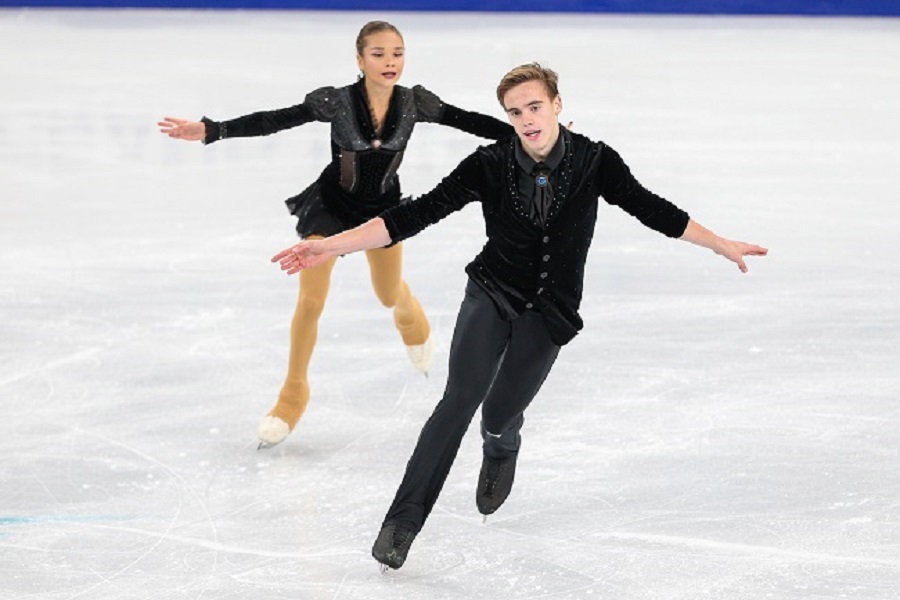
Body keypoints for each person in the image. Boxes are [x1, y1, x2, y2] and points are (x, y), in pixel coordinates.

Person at [271, 62, 768, 569]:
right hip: (492, 292)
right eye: (515, 112)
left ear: (556, 105)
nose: (527, 119)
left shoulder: (596, 160)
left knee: (497, 413)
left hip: (550, 309)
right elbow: (412, 216)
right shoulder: (488, 163)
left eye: (534, 107)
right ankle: (401, 524)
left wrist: (719, 243)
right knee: (458, 401)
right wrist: (331, 245)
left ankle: (501, 443)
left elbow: (651, 208)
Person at [158, 21, 513, 449]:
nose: (390, 62)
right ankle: (292, 395)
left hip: (382, 212)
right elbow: (275, 120)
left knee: (388, 293)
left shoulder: (415, 103)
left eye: (397, 53)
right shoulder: (336, 102)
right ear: (360, 59)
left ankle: (411, 320)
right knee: (311, 300)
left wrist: (534, 135)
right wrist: (215, 130)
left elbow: (472, 122)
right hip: (330, 208)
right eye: (378, 54)